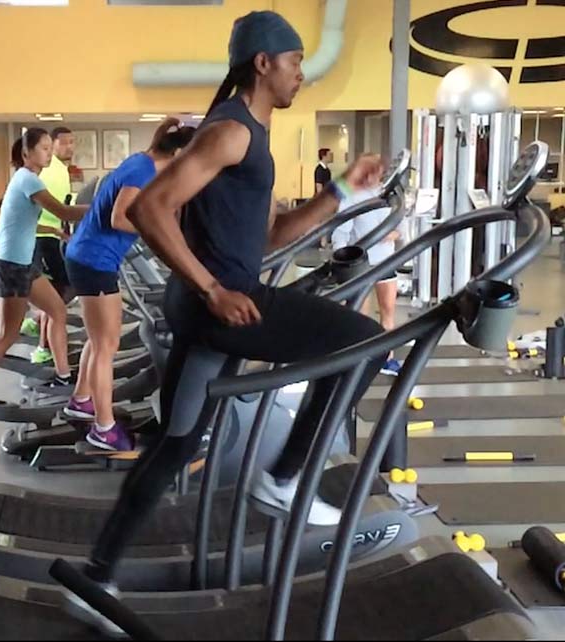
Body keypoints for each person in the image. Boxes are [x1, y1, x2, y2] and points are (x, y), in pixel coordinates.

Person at [67, 11, 386, 627]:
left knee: (175, 443)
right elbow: (155, 209)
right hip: (218, 308)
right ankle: (285, 477)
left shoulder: (251, 138)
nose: (301, 75)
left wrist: (341, 191)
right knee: (367, 343)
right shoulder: (232, 131)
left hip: (203, 312)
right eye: (295, 63)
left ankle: (95, 575)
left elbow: (266, 239)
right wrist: (212, 288)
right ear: (263, 64)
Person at [63, 119, 195, 452]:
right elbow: (119, 218)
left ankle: (82, 400)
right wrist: (157, 227)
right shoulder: (143, 172)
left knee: (100, 340)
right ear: (178, 153)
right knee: (107, 345)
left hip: (90, 257)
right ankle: (103, 429)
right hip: (94, 260)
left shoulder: (142, 161)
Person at [0, 128, 88, 404]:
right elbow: (63, 211)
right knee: (8, 333)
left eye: (48, 148)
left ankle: (63, 374)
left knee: (57, 310)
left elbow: (22, 221)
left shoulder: (25, 180)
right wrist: (104, 206)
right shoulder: (28, 180)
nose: (48, 152)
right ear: (26, 153)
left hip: (24, 263)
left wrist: (54, 232)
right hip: (14, 266)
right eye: (43, 148)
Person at [331, 159, 403, 376]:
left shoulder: (390, 195)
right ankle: (356, 358)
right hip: (360, 262)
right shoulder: (351, 197)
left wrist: (389, 234)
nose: (374, 175)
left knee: (388, 311)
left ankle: (387, 359)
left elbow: (400, 228)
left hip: (385, 261)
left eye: (378, 170)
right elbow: (341, 231)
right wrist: (341, 261)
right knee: (358, 314)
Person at [27, 126, 76, 365]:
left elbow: (64, 204)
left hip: (50, 235)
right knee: (59, 293)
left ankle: (37, 325)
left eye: (72, 142)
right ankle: (40, 337)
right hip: (41, 238)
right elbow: (60, 208)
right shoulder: (45, 172)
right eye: (64, 143)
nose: (70, 147)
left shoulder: (60, 171)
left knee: (59, 291)